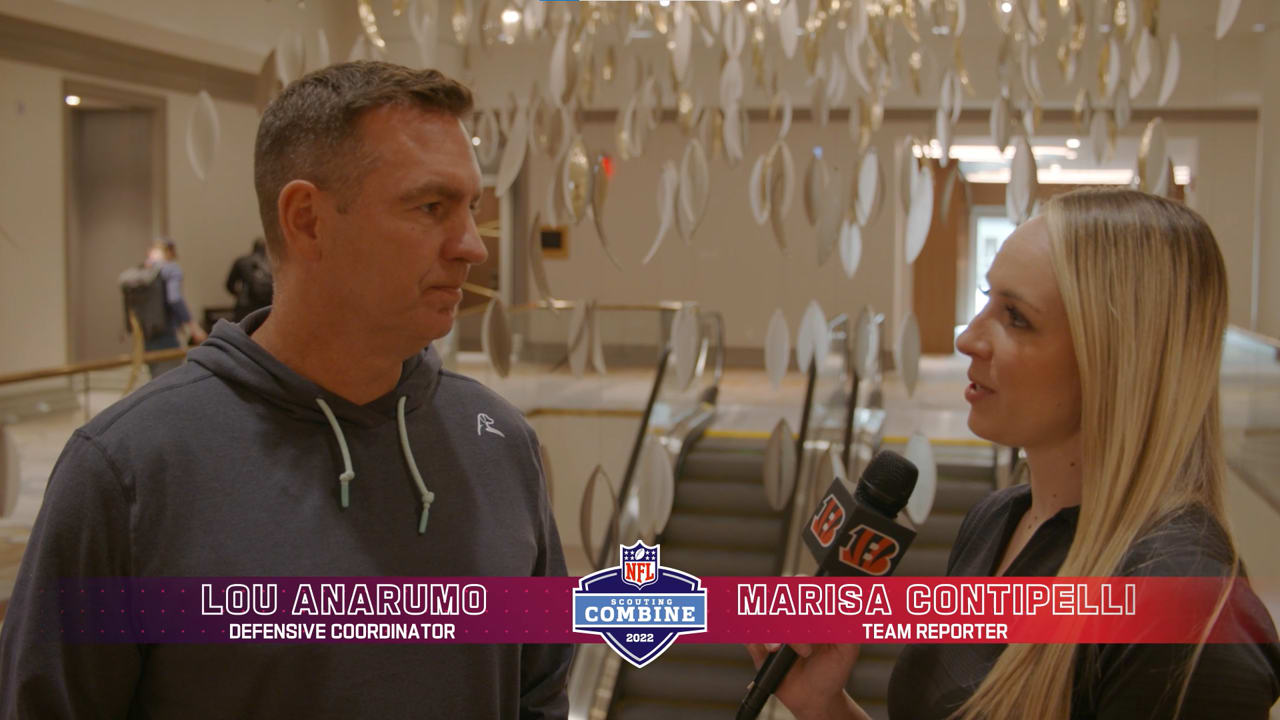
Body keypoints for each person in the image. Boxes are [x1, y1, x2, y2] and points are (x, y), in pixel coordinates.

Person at [0, 62, 573, 718]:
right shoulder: (130, 473)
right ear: (307, 221)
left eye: (470, 207)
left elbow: (540, 691)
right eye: (430, 207)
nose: (471, 245)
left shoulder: (501, 444)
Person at [748, 189, 1280, 719]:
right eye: (986, 300)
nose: (970, 339)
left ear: (1115, 359)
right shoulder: (997, 519)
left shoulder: (1186, 609)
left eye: (1016, 317)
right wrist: (824, 706)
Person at [143, 238, 206, 377]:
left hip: (147, 333)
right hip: (166, 331)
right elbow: (175, 298)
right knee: (171, 378)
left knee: (155, 379)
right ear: (170, 252)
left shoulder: (146, 270)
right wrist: (193, 326)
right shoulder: (171, 269)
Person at [224, 238, 274, 322]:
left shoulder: (241, 261)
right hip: (267, 307)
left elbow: (229, 285)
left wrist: (238, 294)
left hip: (245, 306)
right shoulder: (272, 263)